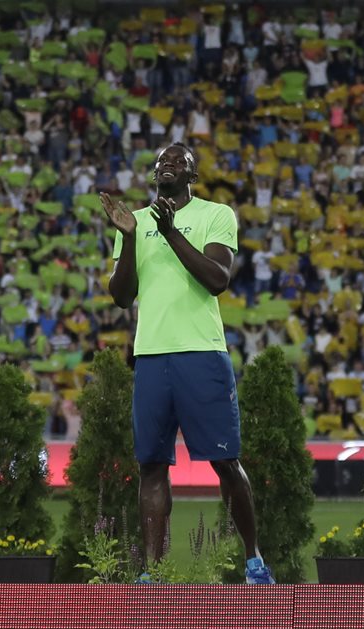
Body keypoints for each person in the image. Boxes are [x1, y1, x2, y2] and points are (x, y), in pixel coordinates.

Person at [101, 142, 275, 584]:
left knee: (226, 462)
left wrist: (171, 231)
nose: (167, 165)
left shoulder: (216, 215)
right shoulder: (134, 222)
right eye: (161, 161)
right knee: (152, 465)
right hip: (152, 354)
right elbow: (121, 296)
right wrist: (127, 237)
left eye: (178, 162)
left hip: (201, 351)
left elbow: (217, 279)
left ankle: (254, 561)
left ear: (192, 176)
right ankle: (152, 575)